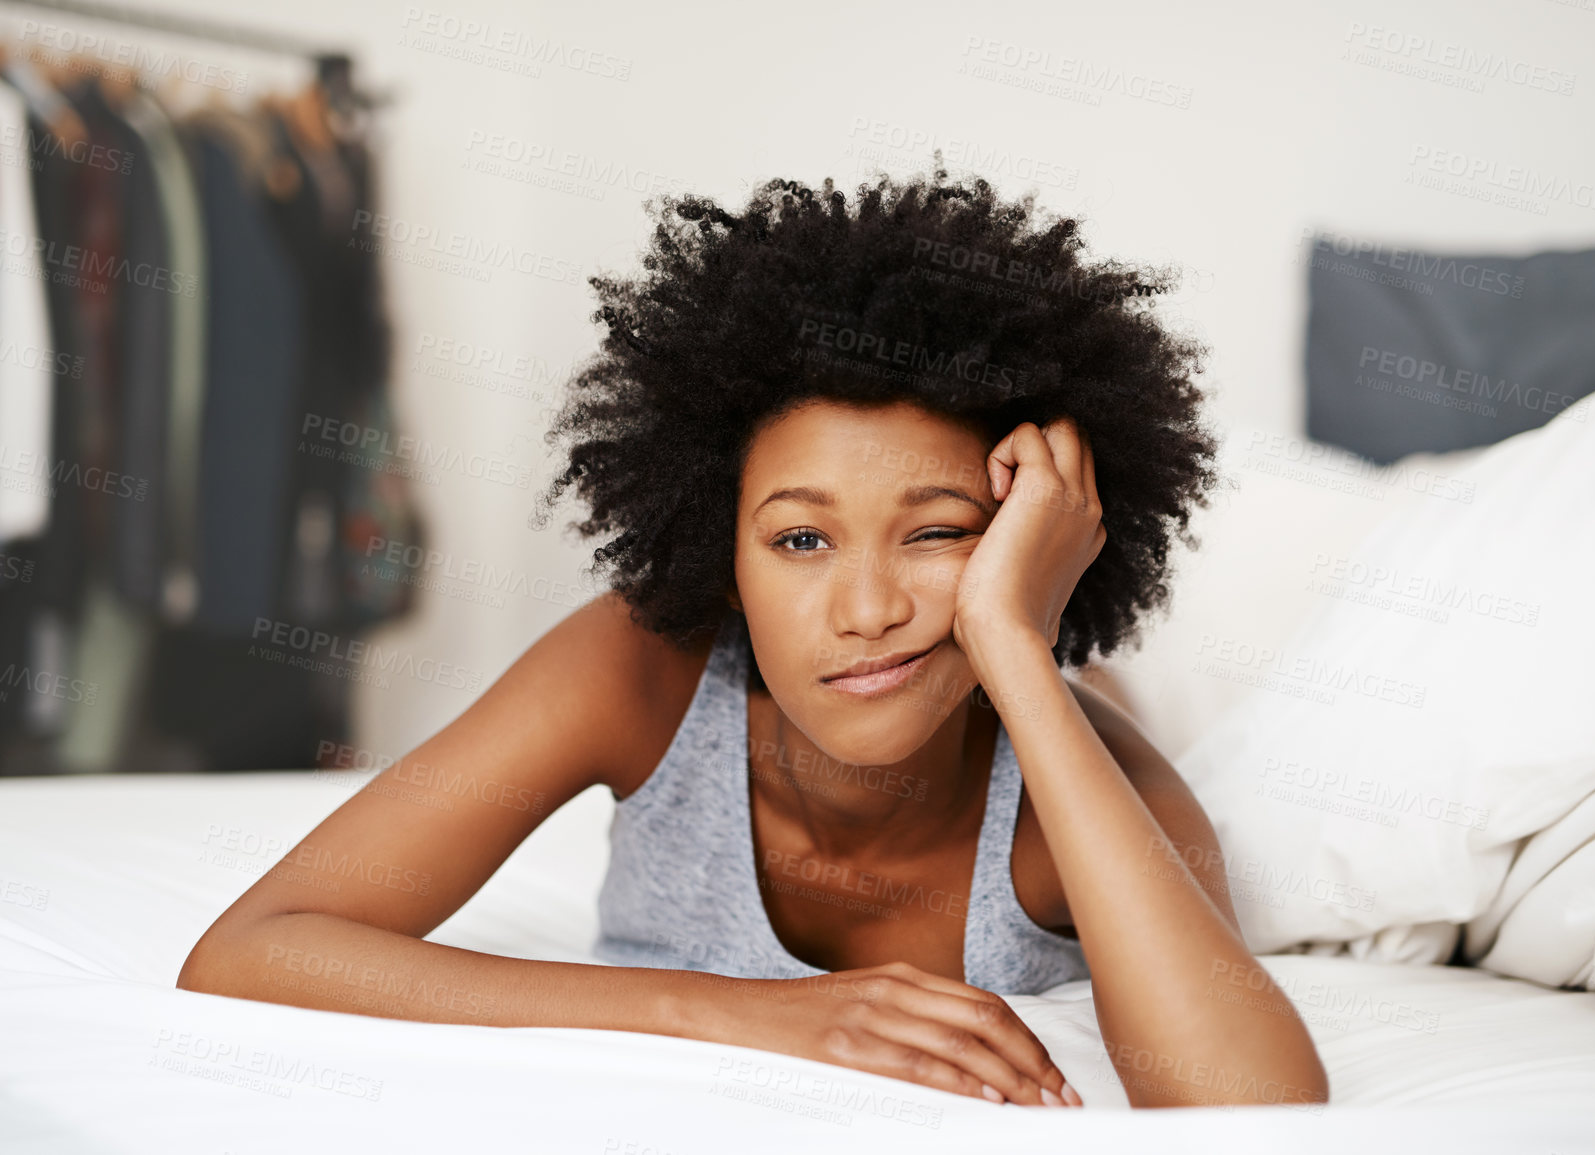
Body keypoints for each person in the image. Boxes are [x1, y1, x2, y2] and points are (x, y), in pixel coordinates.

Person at [178, 158, 1329, 1110]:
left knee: (1105, 702)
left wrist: (1020, 648)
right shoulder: (638, 668)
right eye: (799, 542)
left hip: (1052, 691)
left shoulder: (1088, 786)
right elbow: (254, 946)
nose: (866, 609)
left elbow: (1253, 1109)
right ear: (715, 556)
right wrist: (750, 1013)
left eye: (938, 535)